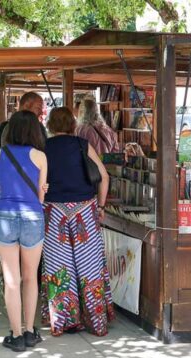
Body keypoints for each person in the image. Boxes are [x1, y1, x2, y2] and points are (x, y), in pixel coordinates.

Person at [41, 107, 114, 336]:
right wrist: (101, 206)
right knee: (90, 266)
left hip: (54, 213)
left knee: (58, 267)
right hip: (85, 211)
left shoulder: (42, 148)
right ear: (73, 125)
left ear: (50, 125)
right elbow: (103, 176)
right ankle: (95, 320)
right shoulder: (82, 145)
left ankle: (64, 320)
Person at [0, 110, 48, 352]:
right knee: (30, 277)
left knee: (11, 280)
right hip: (33, 216)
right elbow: (41, 193)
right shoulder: (40, 157)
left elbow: (0, 187)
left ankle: (15, 335)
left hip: (5, 215)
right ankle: (29, 330)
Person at [0, 92, 46, 183]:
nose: (41, 112)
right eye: (38, 108)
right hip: (30, 184)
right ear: (26, 105)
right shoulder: (5, 127)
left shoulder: (40, 128)